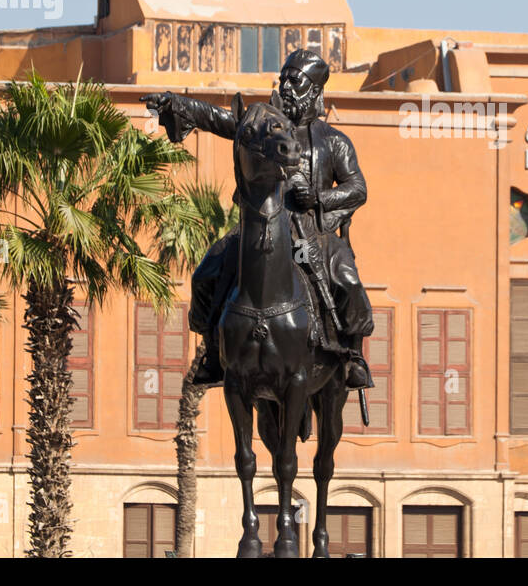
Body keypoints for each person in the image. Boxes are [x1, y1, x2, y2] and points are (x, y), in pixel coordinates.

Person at [141, 49, 374, 391]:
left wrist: (320, 198)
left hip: (308, 237)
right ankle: (212, 352)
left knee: (348, 282)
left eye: (294, 82)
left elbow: (357, 188)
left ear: (314, 90)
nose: (286, 88)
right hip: (260, 230)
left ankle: (352, 357)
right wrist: (176, 104)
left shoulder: (334, 142)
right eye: (283, 80)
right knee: (206, 274)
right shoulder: (263, 126)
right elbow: (218, 119)